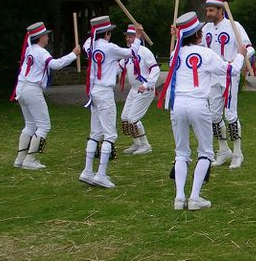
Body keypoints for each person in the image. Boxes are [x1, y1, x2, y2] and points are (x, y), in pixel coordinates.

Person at [158, 11, 246, 210]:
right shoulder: (206, 54)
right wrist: (240, 56)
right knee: (205, 151)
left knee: (181, 152)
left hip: (177, 105)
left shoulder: (174, 54)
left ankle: (180, 198)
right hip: (198, 104)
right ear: (198, 35)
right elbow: (231, 71)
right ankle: (195, 197)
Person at [78, 16, 142, 188]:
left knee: (95, 132)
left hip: (93, 92)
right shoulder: (110, 48)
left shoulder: (89, 45)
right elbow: (133, 53)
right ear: (106, 33)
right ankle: (101, 174)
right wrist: (138, 37)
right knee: (110, 134)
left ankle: (87, 171)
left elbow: (88, 41)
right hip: (104, 92)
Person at [10, 22, 80, 169]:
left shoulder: (30, 49)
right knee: (43, 126)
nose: (48, 37)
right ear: (40, 37)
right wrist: (73, 54)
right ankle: (30, 160)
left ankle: (20, 159)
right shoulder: (41, 52)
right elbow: (55, 65)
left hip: (21, 88)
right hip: (31, 89)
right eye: (46, 35)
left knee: (30, 125)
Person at [202, 0, 255, 169]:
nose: (208, 13)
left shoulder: (234, 25)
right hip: (212, 76)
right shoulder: (206, 28)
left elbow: (249, 47)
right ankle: (223, 150)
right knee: (214, 116)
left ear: (221, 10)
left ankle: (238, 153)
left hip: (229, 75)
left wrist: (240, 57)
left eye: (211, 10)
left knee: (230, 114)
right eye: (207, 10)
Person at [118, 24, 160, 155]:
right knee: (125, 117)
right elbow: (117, 68)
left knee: (133, 118)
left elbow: (155, 69)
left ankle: (145, 145)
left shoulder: (144, 51)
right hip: (134, 89)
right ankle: (136, 143)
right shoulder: (127, 54)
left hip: (145, 89)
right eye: (127, 37)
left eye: (131, 37)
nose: (128, 40)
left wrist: (147, 84)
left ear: (137, 37)